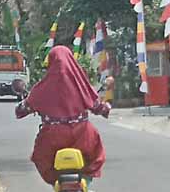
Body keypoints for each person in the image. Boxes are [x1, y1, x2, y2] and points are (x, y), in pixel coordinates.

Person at [15, 46, 110, 185]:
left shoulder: (43, 86)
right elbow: (97, 106)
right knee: (95, 155)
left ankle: (57, 186)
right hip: (82, 135)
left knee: (41, 157)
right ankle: (85, 186)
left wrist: (23, 107)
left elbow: (23, 109)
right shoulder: (80, 82)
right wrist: (105, 108)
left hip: (52, 138)